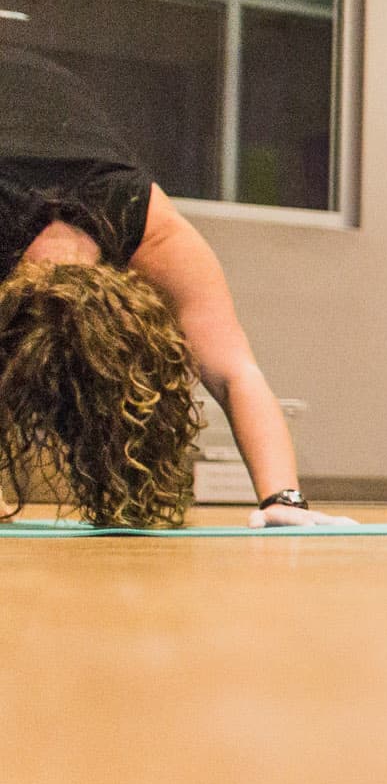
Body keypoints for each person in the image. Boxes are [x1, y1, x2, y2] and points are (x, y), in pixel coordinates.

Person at [0, 47, 348, 529]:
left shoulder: (149, 227)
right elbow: (235, 371)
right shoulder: (150, 224)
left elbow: (232, 373)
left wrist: (284, 499)